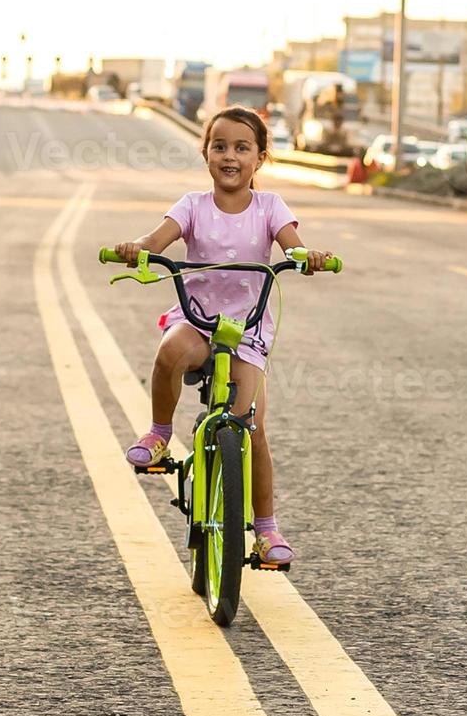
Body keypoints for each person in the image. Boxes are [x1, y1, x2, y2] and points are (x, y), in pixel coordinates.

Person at [111, 105, 333, 565]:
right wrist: (139, 250)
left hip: (246, 330)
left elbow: (292, 244)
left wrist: (305, 256)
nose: (230, 156)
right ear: (205, 152)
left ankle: (267, 530)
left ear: (260, 158)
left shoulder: (271, 207)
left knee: (250, 426)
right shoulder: (192, 205)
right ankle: (158, 433)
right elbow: (158, 241)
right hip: (197, 320)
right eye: (220, 146)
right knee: (170, 352)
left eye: (242, 148)